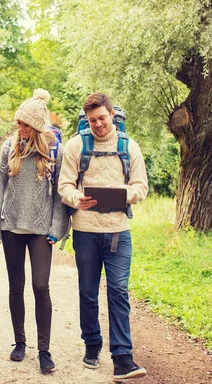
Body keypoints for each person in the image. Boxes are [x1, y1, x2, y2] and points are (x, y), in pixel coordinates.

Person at [58, 92, 149, 380]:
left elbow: (141, 188)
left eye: (102, 118)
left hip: (118, 232)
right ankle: (92, 345)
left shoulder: (129, 147)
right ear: (86, 120)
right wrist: (76, 198)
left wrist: (122, 194)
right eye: (91, 120)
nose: (97, 124)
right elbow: (65, 185)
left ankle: (122, 357)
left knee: (119, 291)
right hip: (85, 231)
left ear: (112, 114)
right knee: (88, 292)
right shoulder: (75, 146)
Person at [0, 89, 69, 373]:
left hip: (39, 229)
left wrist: (58, 227)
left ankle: (45, 350)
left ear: (36, 126)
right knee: (16, 285)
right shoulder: (9, 148)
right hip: (12, 225)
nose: (19, 129)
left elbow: (60, 194)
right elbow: (0, 187)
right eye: (18, 123)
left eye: (24, 124)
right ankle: (19, 342)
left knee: (40, 286)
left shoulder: (53, 151)